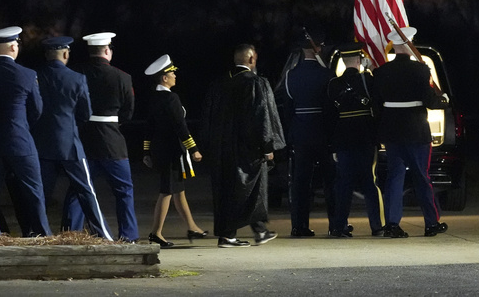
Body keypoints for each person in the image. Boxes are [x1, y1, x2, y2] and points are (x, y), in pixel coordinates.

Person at [370, 25, 450, 238]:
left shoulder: (382, 71)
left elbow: (376, 105)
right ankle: (431, 222)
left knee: (394, 178)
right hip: (416, 130)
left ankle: (392, 224)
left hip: (392, 131)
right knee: (421, 177)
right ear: (409, 43)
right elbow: (430, 101)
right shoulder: (421, 70)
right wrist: (443, 101)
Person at [201, 44, 284, 248]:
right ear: (251, 60)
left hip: (222, 150)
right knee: (250, 191)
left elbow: (207, 118)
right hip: (248, 150)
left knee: (228, 191)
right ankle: (234, 235)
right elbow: (262, 117)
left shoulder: (219, 85)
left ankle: (255, 231)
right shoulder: (256, 83)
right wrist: (268, 145)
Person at [32, 36, 112, 239]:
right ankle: (102, 234)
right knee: (86, 191)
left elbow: (32, 111)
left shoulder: (35, 77)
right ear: (66, 54)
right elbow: (85, 113)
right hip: (69, 143)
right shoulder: (77, 78)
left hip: (42, 144)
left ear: (46, 55)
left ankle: (38, 233)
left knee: (40, 194)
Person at [64, 31, 138, 242]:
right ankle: (128, 235)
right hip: (112, 141)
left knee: (79, 189)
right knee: (124, 190)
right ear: (107, 51)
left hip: (83, 140)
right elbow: (127, 112)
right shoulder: (122, 77)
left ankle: (72, 232)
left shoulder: (76, 73)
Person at [0, 26, 51, 237]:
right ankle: (42, 233)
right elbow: (36, 110)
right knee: (34, 191)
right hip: (20, 140)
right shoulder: (28, 74)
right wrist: (22, 126)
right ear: (13, 46)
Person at [142, 54, 208, 248]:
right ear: (164, 78)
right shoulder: (171, 98)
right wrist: (194, 149)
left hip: (160, 151)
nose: (174, 76)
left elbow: (149, 128)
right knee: (167, 191)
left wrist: (146, 152)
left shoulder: (154, 98)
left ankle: (192, 227)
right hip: (172, 152)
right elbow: (181, 126)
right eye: (172, 73)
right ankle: (156, 233)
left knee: (178, 191)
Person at [275, 30, 336, 237]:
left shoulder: (291, 75)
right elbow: (330, 110)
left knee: (300, 184)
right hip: (323, 133)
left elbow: (288, 111)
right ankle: (335, 225)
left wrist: (290, 135)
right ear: (317, 48)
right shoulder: (327, 75)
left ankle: (299, 226)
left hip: (300, 134)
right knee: (330, 182)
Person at [325, 42, 385, 237]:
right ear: (360, 60)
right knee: (370, 183)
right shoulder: (368, 80)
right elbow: (378, 107)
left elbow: (331, 116)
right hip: (366, 138)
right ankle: (377, 226)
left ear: (343, 60)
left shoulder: (334, 84)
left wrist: (333, 143)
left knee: (343, 185)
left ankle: (338, 227)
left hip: (343, 139)